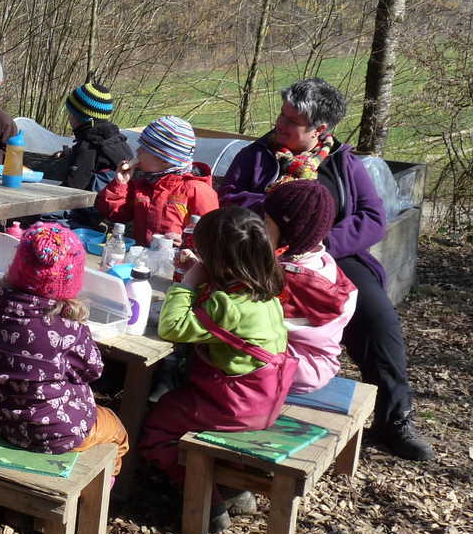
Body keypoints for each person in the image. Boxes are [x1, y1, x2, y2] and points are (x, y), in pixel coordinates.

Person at [219, 77, 436, 460]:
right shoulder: (256, 157)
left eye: (292, 121)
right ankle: (241, 400)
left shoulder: (342, 163)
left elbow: (372, 218)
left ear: (319, 129)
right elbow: (231, 200)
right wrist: (275, 215)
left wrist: (321, 243)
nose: (280, 124)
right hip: (260, 253)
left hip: (332, 256)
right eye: (282, 115)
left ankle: (394, 417)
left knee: (378, 317)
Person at [136, 206, 292, 533]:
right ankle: (237, 490)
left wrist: (189, 282)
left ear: (218, 260)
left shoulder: (226, 305)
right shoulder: (265, 295)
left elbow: (172, 327)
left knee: (158, 425)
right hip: (265, 403)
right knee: (180, 401)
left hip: (232, 407)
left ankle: (208, 498)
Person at [0, 223, 130, 477]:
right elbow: (94, 370)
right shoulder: (68, 332)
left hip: (1, 423)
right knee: (116, 431)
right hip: (63, 433)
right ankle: (105, 488)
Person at [262, 180, 358, 394]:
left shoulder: (285, 279)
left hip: (289, 369)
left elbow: (238, 313)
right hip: (318, 365)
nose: (261, 228)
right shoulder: (322, 262)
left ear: (289, 232)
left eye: (266, 223)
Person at [95, 115, 219, 245]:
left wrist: (185, 243)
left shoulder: (198, 190)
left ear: (165, 159)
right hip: (144, 260)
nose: (137, 151)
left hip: (179, 262)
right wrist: (120, 184)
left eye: (144, 149)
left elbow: (211, 238)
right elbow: (116, 215)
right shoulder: (143, 184)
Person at [46, 81, 132, 192]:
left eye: (71, 114)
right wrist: (70, 153)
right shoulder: (116, 140)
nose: (69, 118)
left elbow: (72, 188)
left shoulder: (89, 147)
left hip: (91, 207)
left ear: (82, 119)